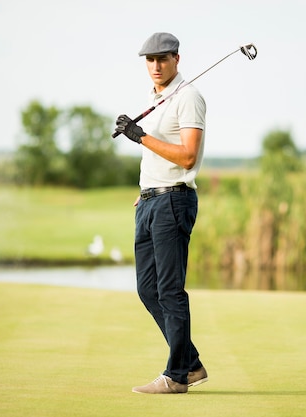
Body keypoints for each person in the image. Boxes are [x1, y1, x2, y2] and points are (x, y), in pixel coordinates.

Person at [114, 32, 208, 395]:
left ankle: (176, 376)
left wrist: (139, 137)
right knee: (147, 289)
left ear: (177, 59)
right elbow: (155, 156)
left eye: (163, 59)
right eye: (150, 60)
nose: (156, 66)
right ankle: (192, 364)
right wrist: (145, 192)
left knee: (169, 290)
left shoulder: (189, 97)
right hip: (150, 200)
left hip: (174, 201)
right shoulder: (156, 98)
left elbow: (187, 156)